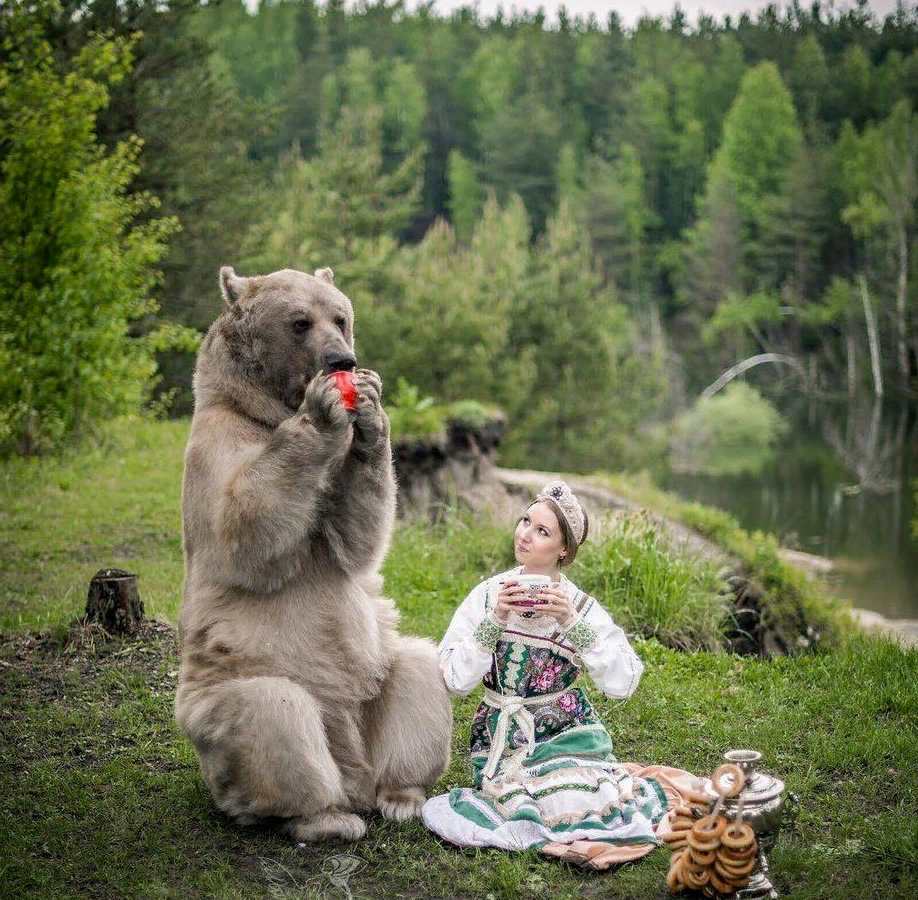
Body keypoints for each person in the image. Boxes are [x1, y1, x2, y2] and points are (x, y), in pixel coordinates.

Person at [421, 480, 668, 853]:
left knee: (576, 800)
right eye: (525, 521)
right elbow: (454, 680)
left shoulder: (579, 607)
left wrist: (572, 624)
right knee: (524, 801)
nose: (524, 535)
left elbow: (624, 681)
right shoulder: (488, 595)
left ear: (563, 549)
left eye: (541, 531)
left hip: (568, 730)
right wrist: (496, 618)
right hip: (503, 740)